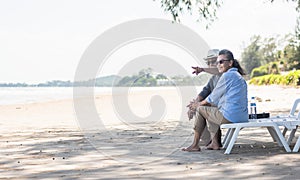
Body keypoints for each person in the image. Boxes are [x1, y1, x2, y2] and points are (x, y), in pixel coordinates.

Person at [183, 49, 248, 152]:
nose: (218, 65)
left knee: (201, 109)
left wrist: (197, 105)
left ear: (230, 63)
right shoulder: (234, 74)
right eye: (217, 62)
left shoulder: (227, 75)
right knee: (208, 108)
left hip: (231, 116)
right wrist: (196, 103)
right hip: (240, 116)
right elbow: (206, 91)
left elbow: (212, 97)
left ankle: (195, 144)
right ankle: (214, 143)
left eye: (221, 62)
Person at [187, 49, 222, 146]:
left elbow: (217, 70)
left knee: (205, 108)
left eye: (214, 62)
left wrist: (202, 69)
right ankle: (208, 139)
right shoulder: (213, 78)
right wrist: (194, 104)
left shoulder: (224, 74)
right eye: (209, 63)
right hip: (217, 106)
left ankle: (214, 141)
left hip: (224, 108)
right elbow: (205, 91)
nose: (211, 65)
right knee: (198, 106)